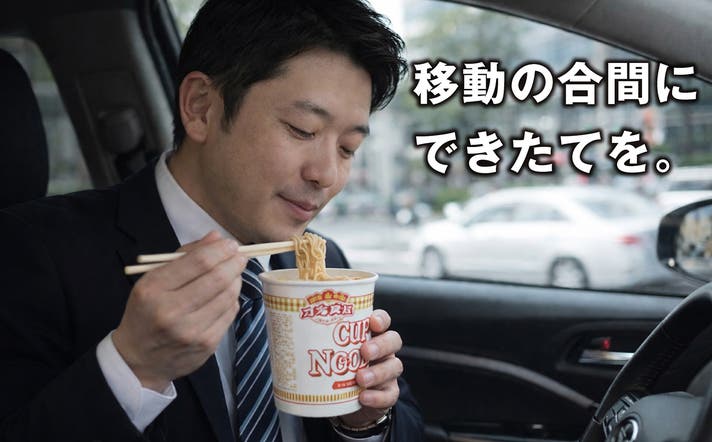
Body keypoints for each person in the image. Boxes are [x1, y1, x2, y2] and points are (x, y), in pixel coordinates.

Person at [0, 0, 424, 441]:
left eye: (348, 148)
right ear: (201, 107)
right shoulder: (33, 252)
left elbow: (407, 425)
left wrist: (364, 421)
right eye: (302, 129)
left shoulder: (320, 261)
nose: (327, 175)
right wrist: (134, 368)